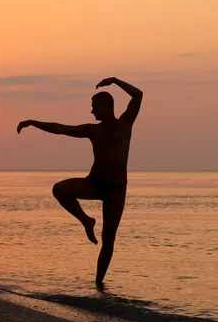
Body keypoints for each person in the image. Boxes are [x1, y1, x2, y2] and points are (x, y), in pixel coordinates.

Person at [17, 76, 143, 288]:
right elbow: (61, 129)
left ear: (105, 106)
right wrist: (33, 122)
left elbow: (138, 95)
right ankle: (86, 220)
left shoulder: (126, 122)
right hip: (94, 183)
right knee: (60, 189)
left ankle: (99, 285)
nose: (92, 112)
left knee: (108, 239)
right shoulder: (93, 130)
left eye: (94, 107)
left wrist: (115, 80)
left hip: (116, 190)